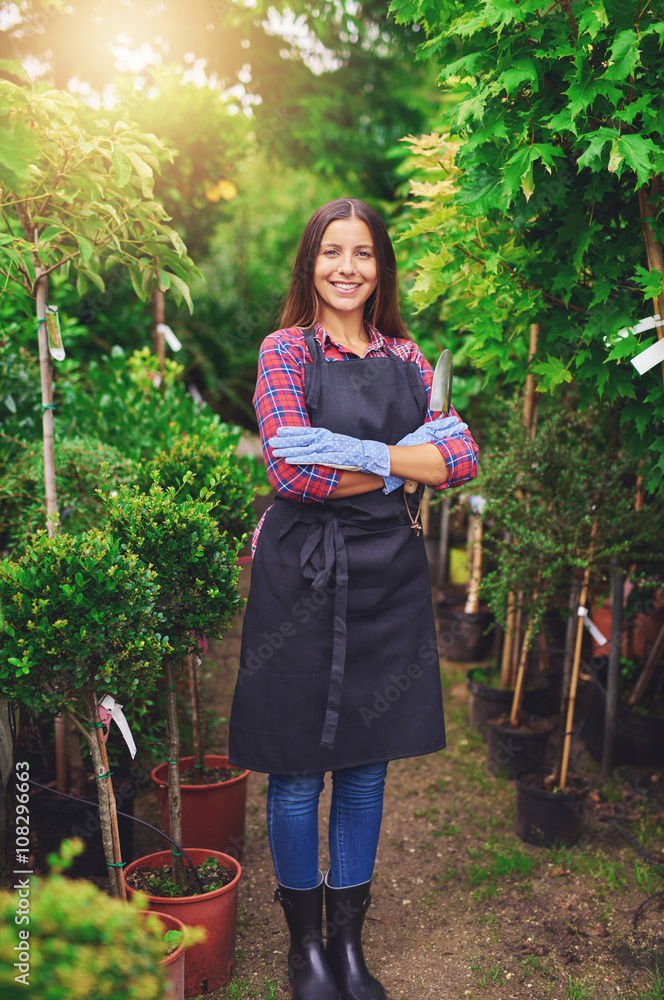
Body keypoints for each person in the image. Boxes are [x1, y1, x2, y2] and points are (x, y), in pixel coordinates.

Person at [229, 198, 478, 1000]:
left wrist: (355, 452)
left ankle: (348, 948)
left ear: (381, 267)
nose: (347, 267)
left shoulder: (409, 359)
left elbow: (463, 457)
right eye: (332, 251)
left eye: (363, 253)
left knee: (366, 772)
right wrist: (407, 460)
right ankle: (305, 949)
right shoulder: (283, 351)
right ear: (311, 263)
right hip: (302, 569)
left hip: (387, 575)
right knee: (299, 771)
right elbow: (290, 471)